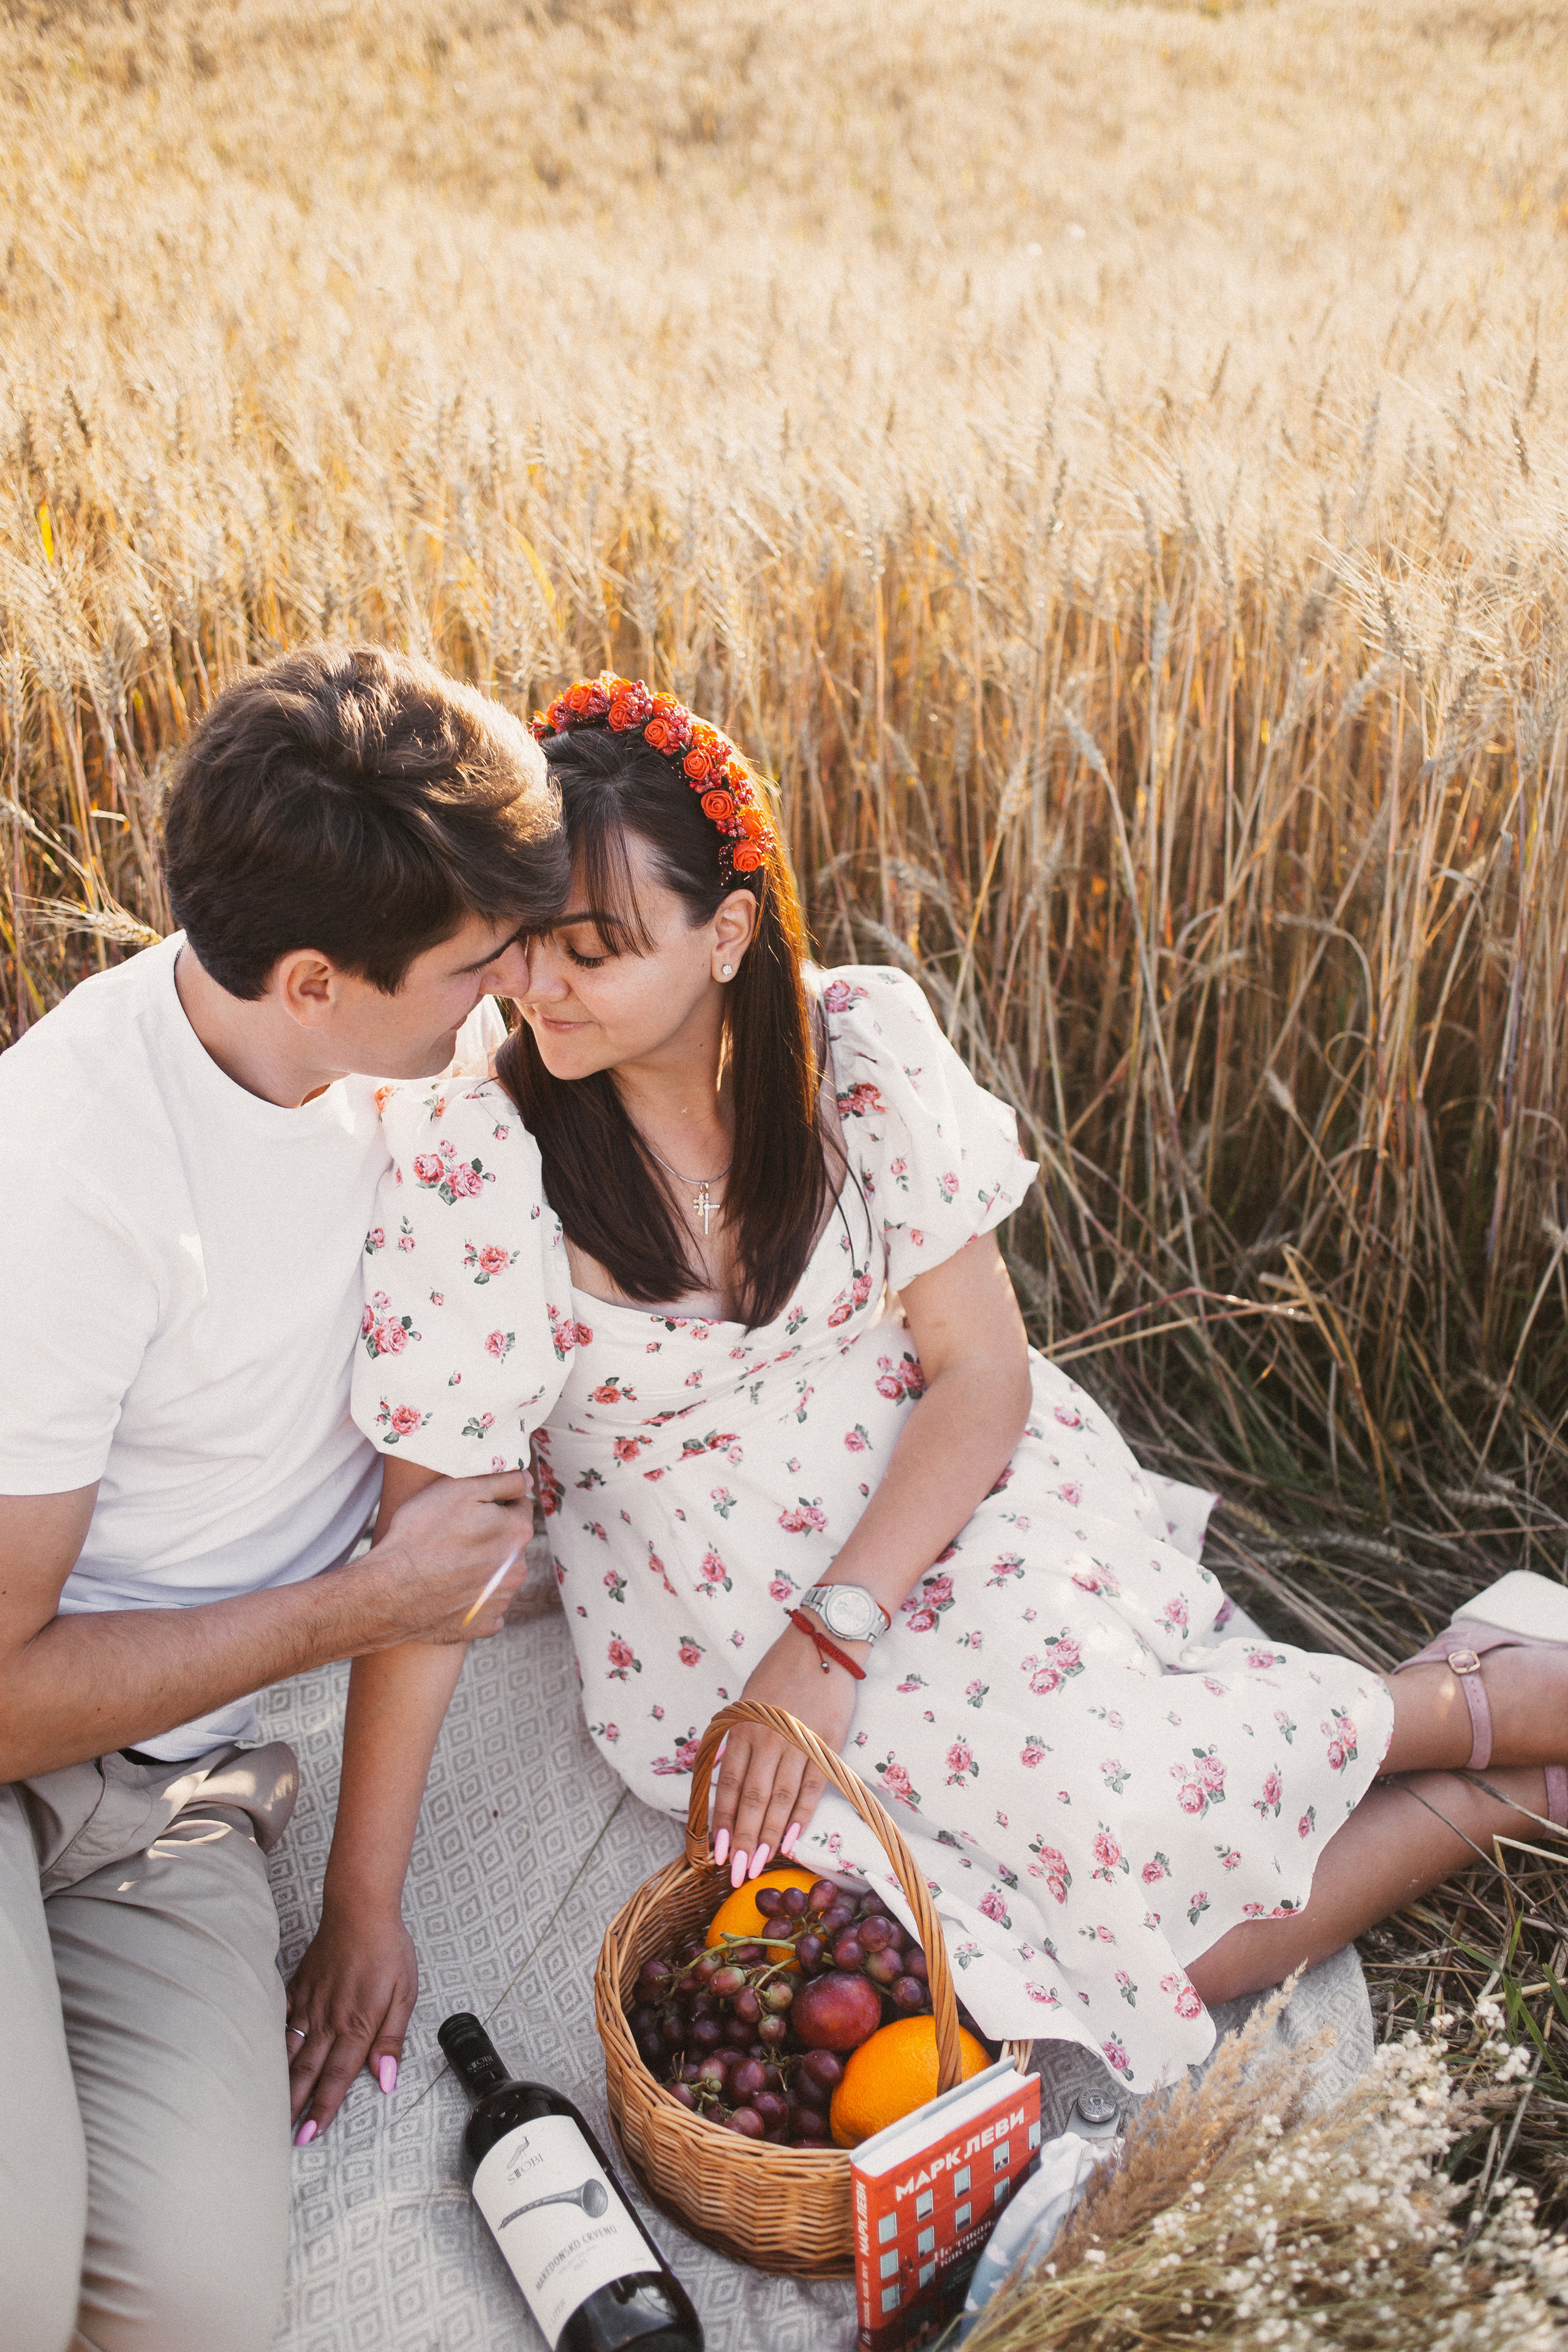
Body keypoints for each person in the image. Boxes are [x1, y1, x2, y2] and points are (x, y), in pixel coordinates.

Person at [286, 670, 1568, 2136]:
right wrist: (362, 1904)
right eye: (523, 945)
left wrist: (836, 1629)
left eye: (594, 950)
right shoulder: (478, 1156)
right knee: (1043, 1961)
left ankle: (1470, 1708)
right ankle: (1503, 1787)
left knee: (1098, 1787)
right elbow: (427, 1552)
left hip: (932, 1488)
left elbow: (979, 1369)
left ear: (726, 935)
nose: (536, 988)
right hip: (697, 1596)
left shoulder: (859, 1054)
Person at [0, 644, 568, 2352]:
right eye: (476, 966)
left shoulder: (438, 1115)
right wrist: (345, 1610)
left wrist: (364, 1903)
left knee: (188, 2314)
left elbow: (439, 1522)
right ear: (313, 980)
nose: (512, 991)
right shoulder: (71, 1184)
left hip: (168, 1803)